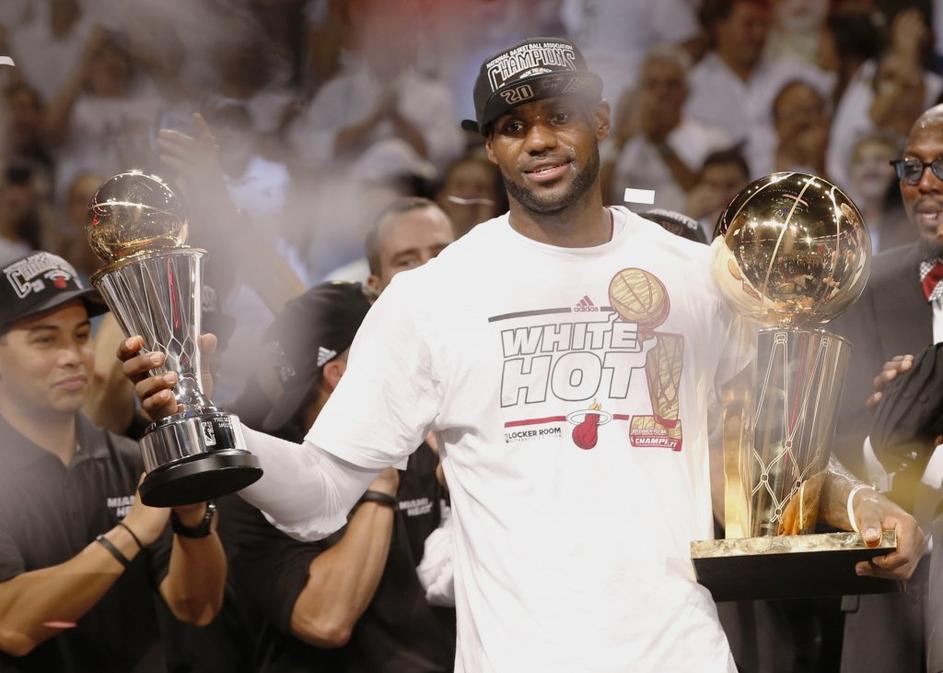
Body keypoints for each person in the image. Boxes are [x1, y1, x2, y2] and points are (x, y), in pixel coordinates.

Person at [122, 37, 923, 673]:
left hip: (680, 654)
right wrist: (216, 429)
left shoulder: (698, 274)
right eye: (511, 126)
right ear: (490, 147)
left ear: (600, 120)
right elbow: (321, 496)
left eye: (557, 116)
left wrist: (856, 505)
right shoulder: (432, 297)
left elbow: (752, 459)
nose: (538, 140)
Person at [0, 251, 225, 673]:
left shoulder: (130, 458)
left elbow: (196, 607)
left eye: (81, 335)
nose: (73, 355)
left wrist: (192, 513)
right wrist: (131, 532)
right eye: (45, 340)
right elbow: (10, 625)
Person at [221, 281, 454, 672]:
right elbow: (326, 619)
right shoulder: (259, 482)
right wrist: (379, 484)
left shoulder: (432, 448)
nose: (307, 420)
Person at [831, 104, 943, 673]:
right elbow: (824, 441)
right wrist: (884, 425)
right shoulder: (863, 287)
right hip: (885, 585)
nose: (925, 183)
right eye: (912, 168)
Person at [602, 45, 730, 211]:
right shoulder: (619, 145)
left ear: (687, 90)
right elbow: (601, 201)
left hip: (689, 225)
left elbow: (708, 195)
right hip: (633, 223)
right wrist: (620, 141)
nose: (662, 92)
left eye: (672, 84)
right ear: (639, 91)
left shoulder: (712, 140)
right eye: (652, 84)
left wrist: (660, 143)